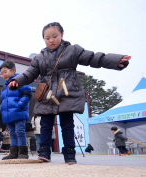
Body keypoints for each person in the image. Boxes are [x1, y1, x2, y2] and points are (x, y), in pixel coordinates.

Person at [9, 22, 131, 164]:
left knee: (67, 124)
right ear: (43, 39)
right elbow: (30, 73)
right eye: (47, 38)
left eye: (55, 36)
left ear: (62, 35)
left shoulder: (73, 50)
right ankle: (44, 153)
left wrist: (115, 60)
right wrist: (17, 80)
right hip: (48, 94)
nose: (51, 40)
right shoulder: (39, 57)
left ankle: (69, 155)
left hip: (67, 92)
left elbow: (92, 57)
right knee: (46, 124)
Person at [0, 60, 32, 160]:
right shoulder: (4, 87)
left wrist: (20, 105)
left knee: (20, 132)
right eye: (1, 74)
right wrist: (2, 109)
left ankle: (23, 153)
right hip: (9, 115)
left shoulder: (20, 81)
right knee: (12, 134)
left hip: (19, 112)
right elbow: (3, 100)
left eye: (5, 72)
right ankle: (13, 153)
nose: (3, 75)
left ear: (13, 70)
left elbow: (27, 94)